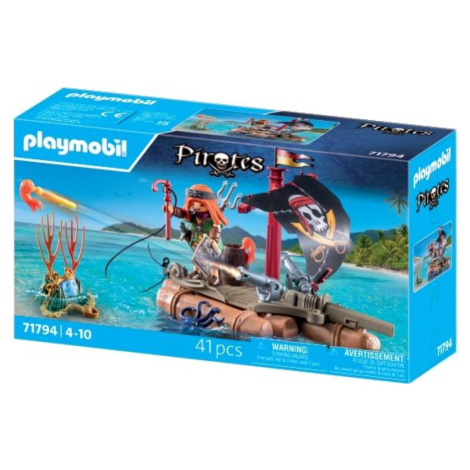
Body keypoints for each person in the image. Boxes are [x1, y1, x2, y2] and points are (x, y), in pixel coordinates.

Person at [166, 184, 228, 286]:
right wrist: (172, 210)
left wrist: (213, 240)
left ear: (209, 204)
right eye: (193, 204)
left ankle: (215, 276)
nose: (197, 207)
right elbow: (182, 213)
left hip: (210, 243)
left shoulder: (213, 218)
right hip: (197, 241)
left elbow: (216, 228)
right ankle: (196, 272)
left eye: (201, 205)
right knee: (196, 257)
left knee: (213, 260)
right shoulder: (194, 216)